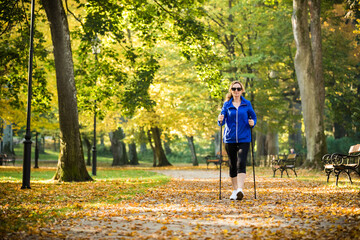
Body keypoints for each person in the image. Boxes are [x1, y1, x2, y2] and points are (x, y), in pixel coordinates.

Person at [218, 81, 257, 200]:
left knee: (241, 162)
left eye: (238, 89)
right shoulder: (227, 105)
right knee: (232, 165)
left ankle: (240, 189)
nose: (236, 91)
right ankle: (234, 191)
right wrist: (220, 120)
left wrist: (253, 123)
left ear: (242, 91)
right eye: (234, 89)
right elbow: (222, 121)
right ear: (231, 90)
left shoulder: (247, 104)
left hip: (244, 138)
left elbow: (253, 117)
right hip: (229, 139)